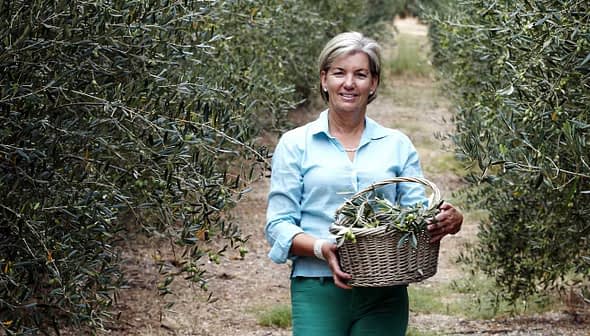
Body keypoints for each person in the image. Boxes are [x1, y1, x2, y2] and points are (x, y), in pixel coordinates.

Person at [264, 31, 463, 336]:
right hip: (318, 287)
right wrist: (323, 249)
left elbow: (416, 214)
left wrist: (448, 219)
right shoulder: (295, 144)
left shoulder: (397, 144)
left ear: (373, 83)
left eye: (360, 74)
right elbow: (278, 224)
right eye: (339, 73)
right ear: (324, 79)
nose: (349, 83)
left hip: (385, 290)